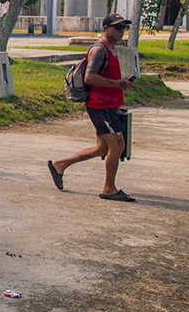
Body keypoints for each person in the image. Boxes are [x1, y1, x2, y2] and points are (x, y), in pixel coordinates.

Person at [47, 14, 137, 202]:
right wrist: (117, 84)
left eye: (123, 28)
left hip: (109, 104)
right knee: (118, 145)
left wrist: (122, 85)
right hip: (100, 105)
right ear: (106, 28)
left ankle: (59, 165)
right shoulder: (99, 50)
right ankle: (109, 188)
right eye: (117, 27)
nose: (121, 31)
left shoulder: (112, 49)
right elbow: (90, 77)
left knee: (102, 148)